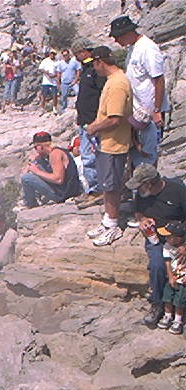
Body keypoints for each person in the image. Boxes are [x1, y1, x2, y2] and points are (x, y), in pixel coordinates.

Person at [126, 164, 186, 326]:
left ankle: (180, 308)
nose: (137, 189)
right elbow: (138, 211)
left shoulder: (178, 190)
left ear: (149, 183)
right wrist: (142, 220)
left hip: (179, 236)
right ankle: (158, 304)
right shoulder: (142, 194)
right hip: (156, 238)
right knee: (158, 266)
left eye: (140, 185)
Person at [85, 46, 133, 247]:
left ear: (100, 62)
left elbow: (114, 119)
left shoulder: (117, 84)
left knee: (111, 186)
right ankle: (107, 221)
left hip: (114, 144)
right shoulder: (114, 80)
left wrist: (93, 128)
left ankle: (113, 225)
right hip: (107, 142)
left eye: (94, 64)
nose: (94, 69)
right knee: (107, 184)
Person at [109, 15, 165, 168]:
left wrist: (157, 110)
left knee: (148, 154)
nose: (116, 41)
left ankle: (151, 181)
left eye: (117, 37)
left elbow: (159, 79)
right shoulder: (133, 48)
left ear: (127, 33)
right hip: (138, 112)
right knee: (138, 154)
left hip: (149, 112)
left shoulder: (147, 48)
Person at [72, 39, 106, 203]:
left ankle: (98, 189)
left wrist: (99, 119)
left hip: (94, 121)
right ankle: (92, 188)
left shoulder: (95, 70)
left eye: (78, 54)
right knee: (86, 155)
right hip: (85, 121)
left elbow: (101, 94)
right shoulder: (86, 70)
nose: (76, 57)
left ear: (85, 51)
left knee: (92, 156)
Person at [20, 131, 83, 208]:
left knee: (26, 178)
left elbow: (58, 179)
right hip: (68, 191)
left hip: (64, 194)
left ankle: (31, 204)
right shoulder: (56, 152)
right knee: (37, 166)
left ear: (40, 147)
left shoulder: (55, 154)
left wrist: (36, 171)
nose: (36, 150)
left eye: (35, 147)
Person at [155, 222, 186, 335]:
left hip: (183, 280)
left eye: (169, 236)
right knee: (168, 297)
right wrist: (170, 277)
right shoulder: (167, 246)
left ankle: (178, 320)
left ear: (178, 238)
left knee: (180, 301)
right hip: (173, 276)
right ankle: (167, 316)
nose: (166, 238)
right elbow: (167, 262)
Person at [39, 50, 59, 114]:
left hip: (54, 81)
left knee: (54, 95)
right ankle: (42, 108)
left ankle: (54, 108)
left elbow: (59, 71)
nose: (52, 55)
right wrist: (46, 72)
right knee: (44, 95)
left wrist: (54, 75)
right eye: (51, 53)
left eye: (53, 54)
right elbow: (40, 68)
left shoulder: (57, 62)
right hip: (46, 81)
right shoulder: (45, 61)